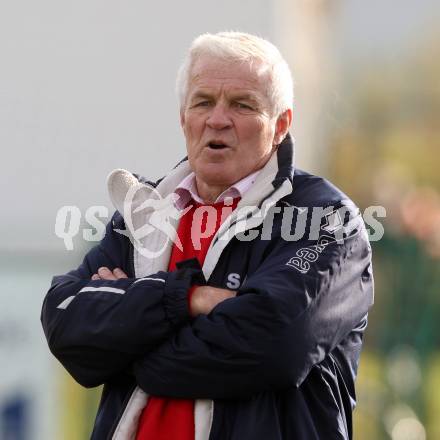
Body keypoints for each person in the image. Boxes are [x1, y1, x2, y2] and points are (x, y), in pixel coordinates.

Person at [41, 32, 374, 440]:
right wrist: (187, 299)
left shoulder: (325, 217)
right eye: (203, 102)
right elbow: (66, 320)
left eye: (242, 104)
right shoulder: (145, 211)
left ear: (281, 124)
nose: (218, 119)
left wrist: (130, 343)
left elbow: (274, 347)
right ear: (184, 117)